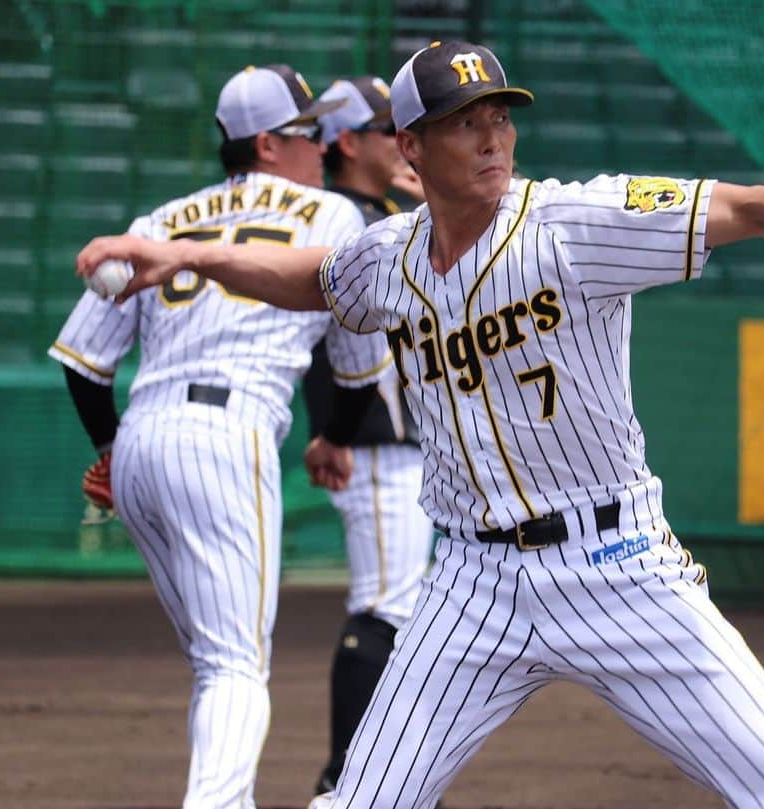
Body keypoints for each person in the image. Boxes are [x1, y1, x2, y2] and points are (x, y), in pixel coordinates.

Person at [77, 41, 764, 809]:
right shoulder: (389, 255)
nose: (492, 136)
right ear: (409, 150)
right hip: (472, 583)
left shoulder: (579, 220)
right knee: (364, 801)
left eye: (500, 115)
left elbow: (754, 209)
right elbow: (306, 278)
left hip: (617, 565)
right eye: (463, 123)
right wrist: (177, 255)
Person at [49, 63, 394, 809]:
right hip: (225, 435)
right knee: (238, 664)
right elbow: (362, 367)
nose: (323, 144)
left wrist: (110, 451)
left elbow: (83, 364)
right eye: (309, 131)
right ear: (266, 144)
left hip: (144, 439)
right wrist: (333, 435)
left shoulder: (156, 223)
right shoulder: (331, 214)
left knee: (216, 662)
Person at [303, 75, 434, 796]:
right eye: (386, 129)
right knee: (387, 604)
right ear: (346, 142)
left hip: (394, 441)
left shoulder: (374, 212)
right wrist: (337, 430)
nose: (401, 139)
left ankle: (391, 780)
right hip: (374, 441)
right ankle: (348, 779)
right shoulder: (342, 219)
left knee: (403, 608)